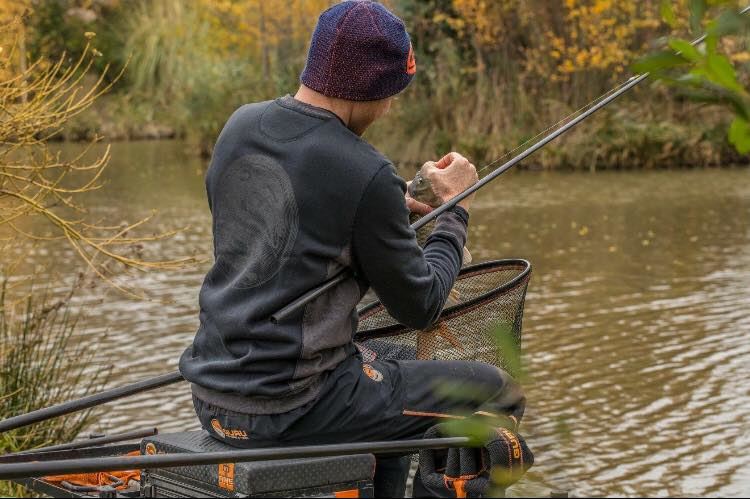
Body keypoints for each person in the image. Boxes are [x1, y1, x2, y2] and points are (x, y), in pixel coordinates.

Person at [179, 1, 525, 496]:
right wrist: (454, 211)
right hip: (294, 407)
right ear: (374, 88)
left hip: (215, 394)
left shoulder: (240, 126)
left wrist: (377, 216)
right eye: (392, 95)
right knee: (495, 390)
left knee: (392, 359)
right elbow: (422, 305)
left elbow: (273, 230)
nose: (389, 108)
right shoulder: (365, 170)